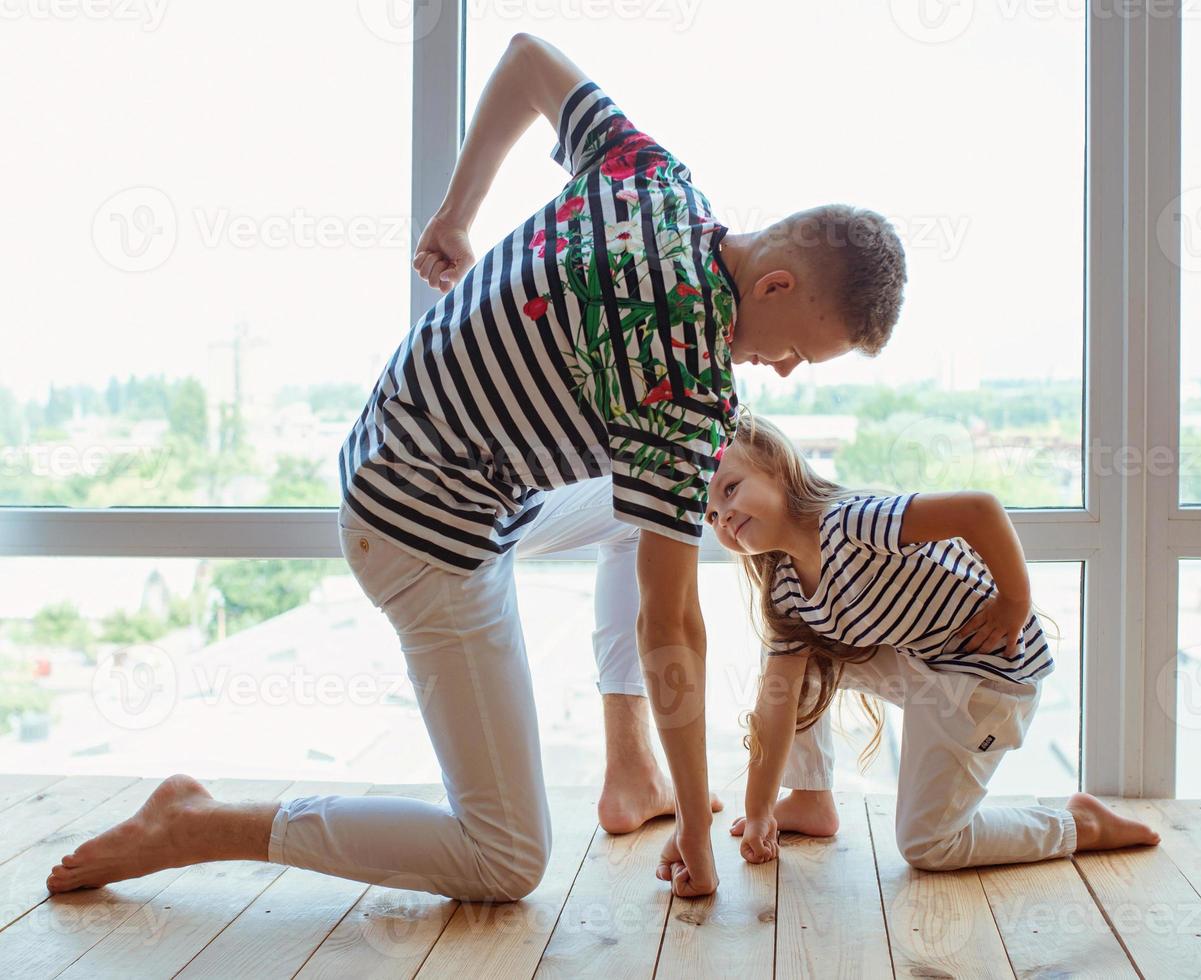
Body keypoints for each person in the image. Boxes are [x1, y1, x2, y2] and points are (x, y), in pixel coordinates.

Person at [45, 35, 907, 902]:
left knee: (652, 511)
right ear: (775, 285)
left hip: (393, 447)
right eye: (797, 350)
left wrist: (457, 214)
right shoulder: (686, 383)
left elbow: (529, 59)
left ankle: (630, 769)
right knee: (504, 860)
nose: (784, 371)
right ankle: (199, 823)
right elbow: (671, 627)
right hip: (420, 533)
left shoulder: (652, 178)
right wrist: (697, 825)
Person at [706, 411, 1161, 870]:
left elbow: (978, 510)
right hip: (924, 662)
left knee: (927, 846)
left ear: (778, 468)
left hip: (988, 679)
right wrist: (759, 810)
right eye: (711, 515)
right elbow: (774, 702)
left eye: (730, 489)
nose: (724, 515)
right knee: (790, 668)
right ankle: (809, 798)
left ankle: (1080, 825)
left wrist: (1013, 601)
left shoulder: (852, 522)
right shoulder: (785, 587)